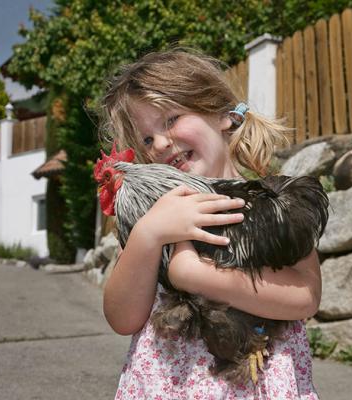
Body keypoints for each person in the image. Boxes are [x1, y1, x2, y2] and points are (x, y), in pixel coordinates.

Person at [100, 49, 321, 399]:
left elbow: (306, 297)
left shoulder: (271, 205)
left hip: (254, 386)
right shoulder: (153, 220)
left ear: (221, 115)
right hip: (166, 386)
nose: (159, 143)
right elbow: (122, 317)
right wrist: (149, 234)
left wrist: (193, 274)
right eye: (146, 139)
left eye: (171, 120)